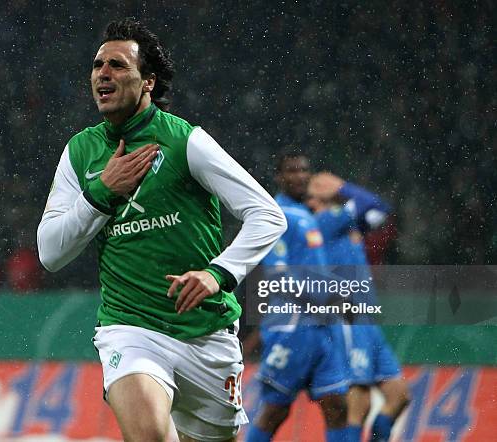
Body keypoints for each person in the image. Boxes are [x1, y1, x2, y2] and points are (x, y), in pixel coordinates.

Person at [37, 18, 286, 442]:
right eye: (98, 65)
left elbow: (267, 214)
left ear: (147, 82)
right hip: (130, 329)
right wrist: (101, 192)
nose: (103, 73)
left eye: (117, 65)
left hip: (207, 334)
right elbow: (50, 252)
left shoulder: (184, 141)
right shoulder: (80, 152)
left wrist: (217, 274)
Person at [245, 152, 353, 442]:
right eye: (292, 171)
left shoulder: (307, 214)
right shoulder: (276, 214)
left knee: (338, 407)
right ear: (279, 177)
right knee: (275, 411)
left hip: (322, 328)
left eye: (304, 170)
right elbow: (278, 278)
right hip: (292, 327)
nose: (300, 176)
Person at [307, 172, 411, 442]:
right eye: (319, 185)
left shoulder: (344, 224)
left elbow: (380, 212)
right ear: (312, 198)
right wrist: (343, 187)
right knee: (358, 401)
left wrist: (339, 190)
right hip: (348, 320)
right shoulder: (322, 222)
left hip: (368, 322)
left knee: (399, 394)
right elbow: (372, 204)